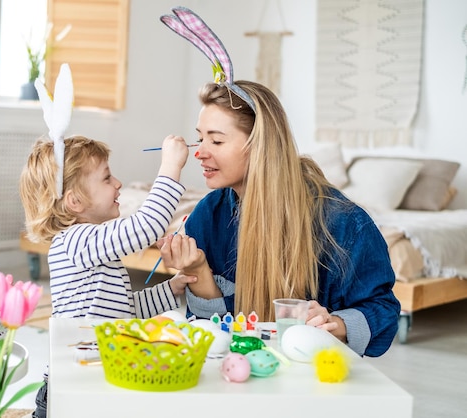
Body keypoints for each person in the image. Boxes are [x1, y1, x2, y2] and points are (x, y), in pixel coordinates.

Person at [159, 80, 401, 358]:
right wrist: (199, 271)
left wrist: (336, 323)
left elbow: (383, 308)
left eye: (216, 140)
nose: (200, 152)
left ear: (259, 144)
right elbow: (214, 334)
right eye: (200, 138)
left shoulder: (342, 222)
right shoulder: (208, 214)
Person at [20, 133, 195, 417]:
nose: (118, 183)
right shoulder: (76, 241)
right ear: (75, 201)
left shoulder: (92, 249)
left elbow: (122, 310)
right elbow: (148, 225)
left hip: (95, 382)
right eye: (106, 178)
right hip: (72, 389)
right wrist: (171, 167)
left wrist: (169, 290)